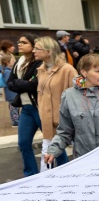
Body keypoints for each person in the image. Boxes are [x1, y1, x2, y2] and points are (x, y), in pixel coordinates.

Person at [43, 54, 99, 164]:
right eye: (98, 71)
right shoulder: (69, 96)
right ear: (84, 72)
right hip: (83, 160)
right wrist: (52, 151)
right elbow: (65, 132)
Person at [33, 36, 77, 170]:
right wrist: (41, 109)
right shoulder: (41, 70)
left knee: (79, 153)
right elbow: (40, 92)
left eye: (37, 48)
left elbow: (80, 92)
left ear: (48, 51)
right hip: (47, 120)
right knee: (46, 154)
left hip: (67, 121)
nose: (34, 51)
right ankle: (45, 185)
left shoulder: (67, 70)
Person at [7, 34, 42, 176]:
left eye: (24, 42)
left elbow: (33, 85)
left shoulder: (39, 62)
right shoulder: (19, 61)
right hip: (26, 108)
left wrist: (19, 84)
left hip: (39, 108)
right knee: (23, 143)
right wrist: (23, 84)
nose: (19, 44)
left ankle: (63, 169)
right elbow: (10, 83)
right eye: (19, 42)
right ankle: (31, 175)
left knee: (52, 143)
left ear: (33, 45)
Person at [1, 54, 19, 126]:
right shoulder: (8, 72)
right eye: (12, 61)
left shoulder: (6, 71)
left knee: (14, 107)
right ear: (8, 63)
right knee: (13, 107)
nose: (13, 61)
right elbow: (9, 82)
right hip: (12, 93)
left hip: (10, 93)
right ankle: (15, 120)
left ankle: (16, 119)